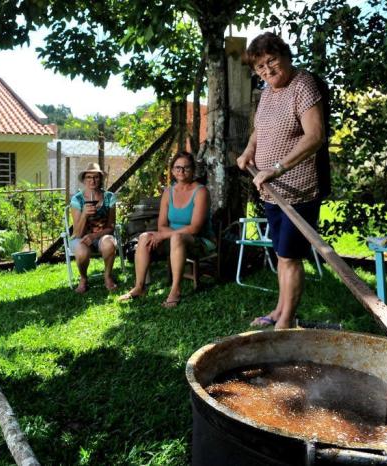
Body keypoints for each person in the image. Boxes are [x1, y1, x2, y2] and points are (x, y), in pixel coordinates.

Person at [236, 32, 326, 329]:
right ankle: (278, 310)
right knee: (281, 254)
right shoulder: (267, 92)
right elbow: (259, 130)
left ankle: (286, 320)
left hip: (298, 190)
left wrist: (276, 168)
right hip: (271, 190)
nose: (267, 70)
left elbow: (314, 136)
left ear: (286, 55)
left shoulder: (303, 84)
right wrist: (249, 151)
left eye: (271, 61)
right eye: (260, 67)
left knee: (290, 256)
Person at [119, 152, 215, 308]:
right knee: (144, 237)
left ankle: (176, 290)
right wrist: (162, 235)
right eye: (178, 167)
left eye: (186, 167)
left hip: (200, 241)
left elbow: (194, 228)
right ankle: (139, 287)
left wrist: (164, 235)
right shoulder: (168, 192)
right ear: (172, 170)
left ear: (193, 170)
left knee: (177, 238)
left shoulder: (201, 192)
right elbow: (162, 224)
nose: (181, 171)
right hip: (172, 239)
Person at [69, 162, 118, 293]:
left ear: (100, 179)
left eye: (96, 177)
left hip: (101, 237)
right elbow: (77, 233)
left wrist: (95, 235)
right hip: (80, 238)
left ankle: (107, 276)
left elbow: (111, 227)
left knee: (109, 243)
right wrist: (84, 214)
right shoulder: (77, 199)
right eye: (89, 177)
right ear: (84, 180)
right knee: (82, 251)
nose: (92, 180)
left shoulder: (109, 197)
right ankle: (84, 278)